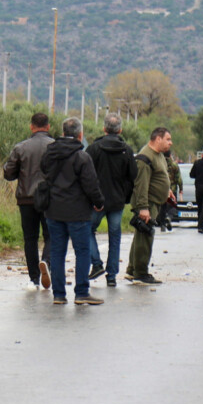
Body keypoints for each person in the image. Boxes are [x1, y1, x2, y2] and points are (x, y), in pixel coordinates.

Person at [41, 117, 106, 305]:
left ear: (62, 133)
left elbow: (43, 171)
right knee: (82, 251)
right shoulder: (82, 157)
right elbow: (91, 184)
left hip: (53, 210)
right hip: (78, 212)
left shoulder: (49, 153)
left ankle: (59, 295)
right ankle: (81, 292)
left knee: (58, 252)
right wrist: (99, 202)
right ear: (80, 135)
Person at [3, 112, 55, 289]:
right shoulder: (56, 146)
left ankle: (34, 279)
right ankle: (46, 261)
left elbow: (8, 174)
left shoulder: (21, 148)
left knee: (30, 238)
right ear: (48, 127)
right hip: (50, 199)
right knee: (51, 235)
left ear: (31, 126)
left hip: (26, 199)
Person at [85, 113, 137, 288]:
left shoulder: (93, 149)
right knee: (115, 237)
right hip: (117, 201)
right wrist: (125, 197)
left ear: (104, 129)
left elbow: (86, 175)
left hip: (96, 202)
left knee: (87, 229)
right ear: (120, 129)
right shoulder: (127, 151)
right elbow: (133, 177)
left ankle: (96, 263)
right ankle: (112, 275)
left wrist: (90, 197)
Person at [126, 127, 174, 285]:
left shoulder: (158, 155)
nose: (170, 143)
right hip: (148, 203)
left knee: (141, 236)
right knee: (145, 237)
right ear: (158, 139)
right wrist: (143, 207)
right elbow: (141, 185)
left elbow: (159, 177)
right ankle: (141, 273)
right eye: (167, 139)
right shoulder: (145, 157)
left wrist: (168, 191)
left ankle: (132, 270)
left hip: (155, 201)